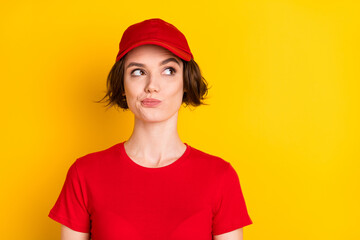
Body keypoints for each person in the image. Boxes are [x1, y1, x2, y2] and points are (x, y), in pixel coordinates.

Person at [48, 18, 253, 240]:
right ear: (122, 86)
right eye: (138, 72)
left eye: (168, 70)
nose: (152, 86)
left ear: (186, 82)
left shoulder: (220, 178)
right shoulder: (84, 174)